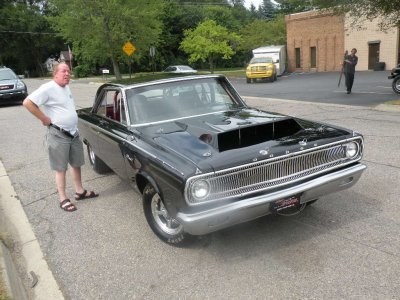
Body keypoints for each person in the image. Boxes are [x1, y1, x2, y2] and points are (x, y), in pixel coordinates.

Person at [23, 63, 98, 212]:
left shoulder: (66, 87)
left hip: (73, 133)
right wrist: (44, 118)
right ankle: (63, 198)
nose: (67, 74)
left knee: (76, 164)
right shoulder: (48, 88)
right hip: (58, 134)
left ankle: (80, 191)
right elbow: (27, 102)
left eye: (69, 72)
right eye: (63, 71)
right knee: (60, 168)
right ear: (55, 74)